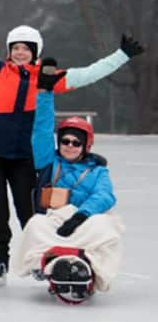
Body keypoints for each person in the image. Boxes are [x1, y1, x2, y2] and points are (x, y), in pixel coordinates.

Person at [0, 0, 143, 283]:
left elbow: (89, 73)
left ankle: (40, 256)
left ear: (35, 52)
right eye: (15, 47)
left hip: (25, 154)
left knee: (30, 208)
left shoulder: (48, 78)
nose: (20, 52)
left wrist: (121, 55)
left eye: (26, 48)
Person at [13, 61, 123, 296]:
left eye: (76, 142)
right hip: (55, 217)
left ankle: (88, 264)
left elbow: (105, 195)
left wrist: (81, 215)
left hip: (87, 218)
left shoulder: (98, 171)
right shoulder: (48, 162)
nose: (70, 146)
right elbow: (42, 129)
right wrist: (44, 94)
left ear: (86, 146)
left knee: (107, 227)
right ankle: (55, 264)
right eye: (65, 141)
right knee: (36, 225)